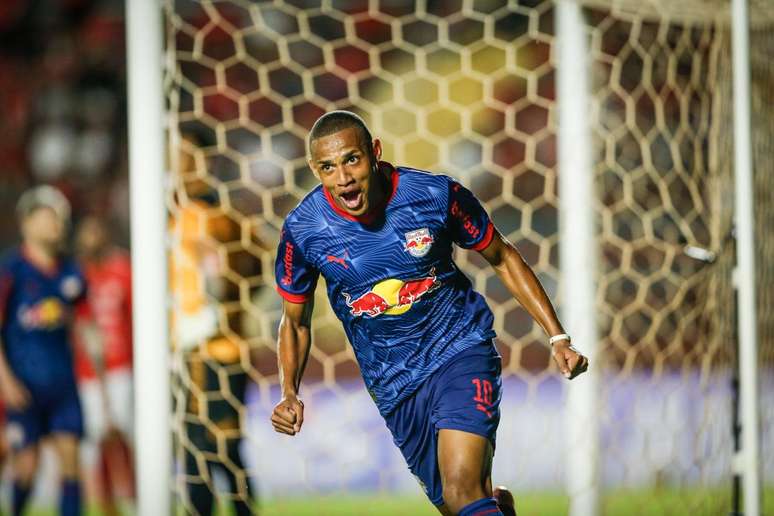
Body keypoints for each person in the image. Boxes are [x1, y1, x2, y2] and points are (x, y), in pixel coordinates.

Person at [271, 111, 589, 516]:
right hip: (394, 385)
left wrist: (557, 337)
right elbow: (295, 321)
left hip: (459, 349)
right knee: (462, 506)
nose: (344, 178)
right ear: (315, 169)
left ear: (374, 152)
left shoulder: (434, 195)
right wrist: (289, 392)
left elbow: (502, 256)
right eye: (328, 167)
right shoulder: (304, 229)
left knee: (462, 490)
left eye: (352, 159)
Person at [170, 131, 256, 516]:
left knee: (213, 449)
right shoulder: (183, 216)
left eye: (184, 155)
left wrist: (220, 309)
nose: (177, 164)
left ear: (203, 160)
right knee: (204, 450)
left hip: (214, 350)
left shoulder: (208, 216)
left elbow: (226, 265)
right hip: (192, 350)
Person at [0, 185, 85, 516]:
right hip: (23, 385)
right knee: (27, 465)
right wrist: (6, 381)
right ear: (27, 222)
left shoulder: (71, 272)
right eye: (47, 216)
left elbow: (83, 323)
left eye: (59, 218)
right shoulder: (11, 271)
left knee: (71, 461)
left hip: (63, 383)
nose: (55, 223)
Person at [73, 215, 134, 516]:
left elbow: (135, 316)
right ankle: (106, 507)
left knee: (126, 436)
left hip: (122, 367)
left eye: (96, 231)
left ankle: (136, 500)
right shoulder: (75, 275)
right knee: (94, 443)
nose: (91, 239)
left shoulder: (122, 269)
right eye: (86, 233)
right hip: (86, 373)